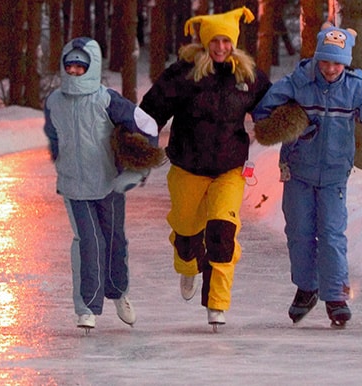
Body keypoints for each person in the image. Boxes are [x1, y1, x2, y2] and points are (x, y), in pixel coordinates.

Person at [251, 24, 362, 328]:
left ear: (346, 63)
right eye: (325, 61)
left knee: (332, 235)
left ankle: (335, 296)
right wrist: (294, 124)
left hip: (335, 175)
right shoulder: (298, 83)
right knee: (299, 233)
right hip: (298, 171)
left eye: (337, 63)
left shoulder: (355, 89)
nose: (331, 68)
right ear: (317, 59)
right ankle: (307, 288)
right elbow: (262, 114)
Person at [139, 6, 271, 329]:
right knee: (186, 236)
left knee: (223, 234)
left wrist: (293, 122)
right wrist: (137, 140)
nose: (221, 47)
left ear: (235, 43)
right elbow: (152, 109)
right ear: (205, 42)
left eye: (227, 42)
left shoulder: (248, 77)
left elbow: (274, 107)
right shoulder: (184, 73)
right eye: (216, 41)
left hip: (229, 169)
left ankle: (217, 303)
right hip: (187, 167)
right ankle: (187, 265)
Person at [44, 37, 161, 331]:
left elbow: (146, 125)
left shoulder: (106, 99)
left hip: (108, 184)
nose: (73, 72)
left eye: (80, 67)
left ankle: (118, 293)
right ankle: (87, 307)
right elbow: (53, 134)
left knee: (114, 242)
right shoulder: (54, 101)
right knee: (89, 242)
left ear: (92, 67)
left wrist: (137, 165)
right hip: (74, 188)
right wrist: (60, 159)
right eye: (69, 66)